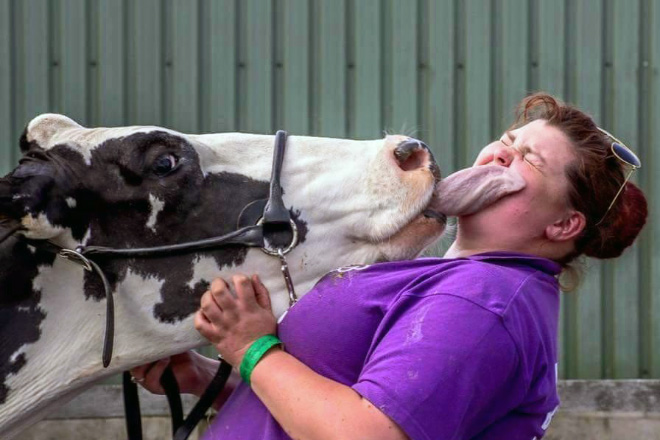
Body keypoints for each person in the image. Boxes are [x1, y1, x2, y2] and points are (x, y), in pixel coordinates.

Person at [130, 93, 648, 440]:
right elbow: (329, 405)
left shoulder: (483, 299)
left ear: (562, 226)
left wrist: (252, 347)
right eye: (508, 142)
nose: (500, 156)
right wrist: (210, 380)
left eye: (530, 161)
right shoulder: (459, 280)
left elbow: (366, 432)